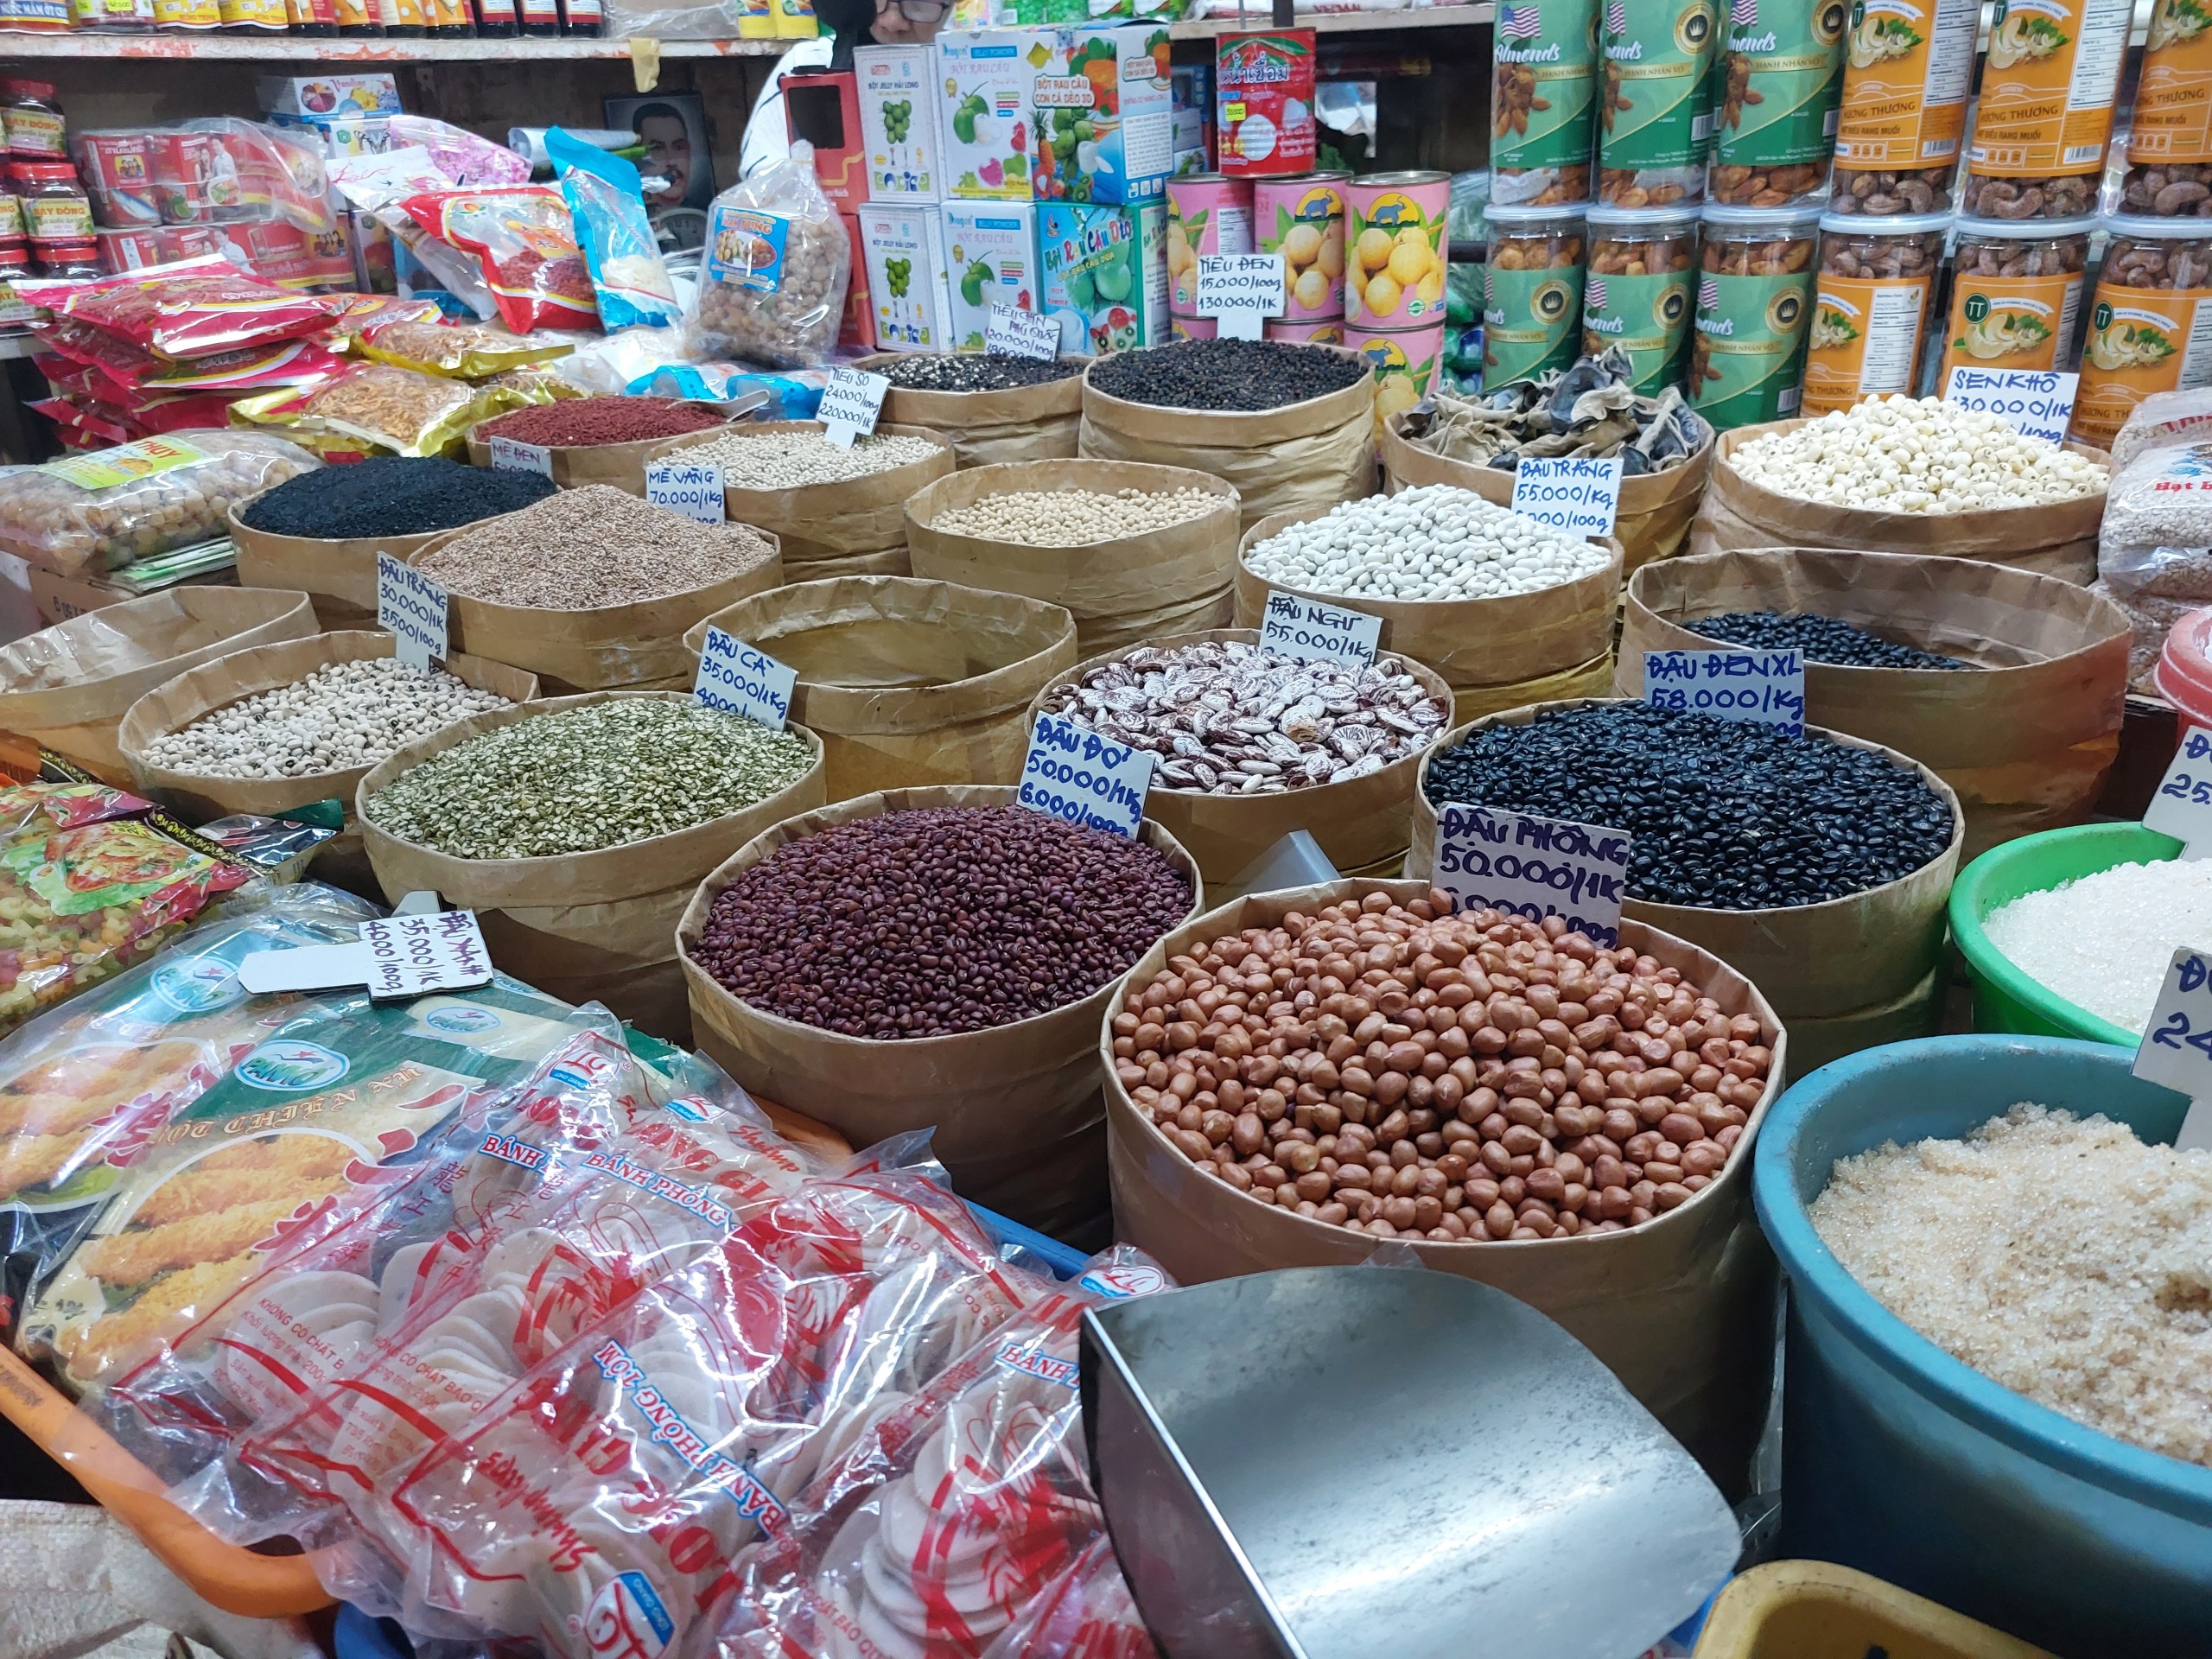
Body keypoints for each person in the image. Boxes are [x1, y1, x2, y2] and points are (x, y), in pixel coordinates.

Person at [738, 0, 950, 178]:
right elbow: (762, 176)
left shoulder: (968, 70)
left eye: (918, 3)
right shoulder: (807, 67)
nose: (892, 22)